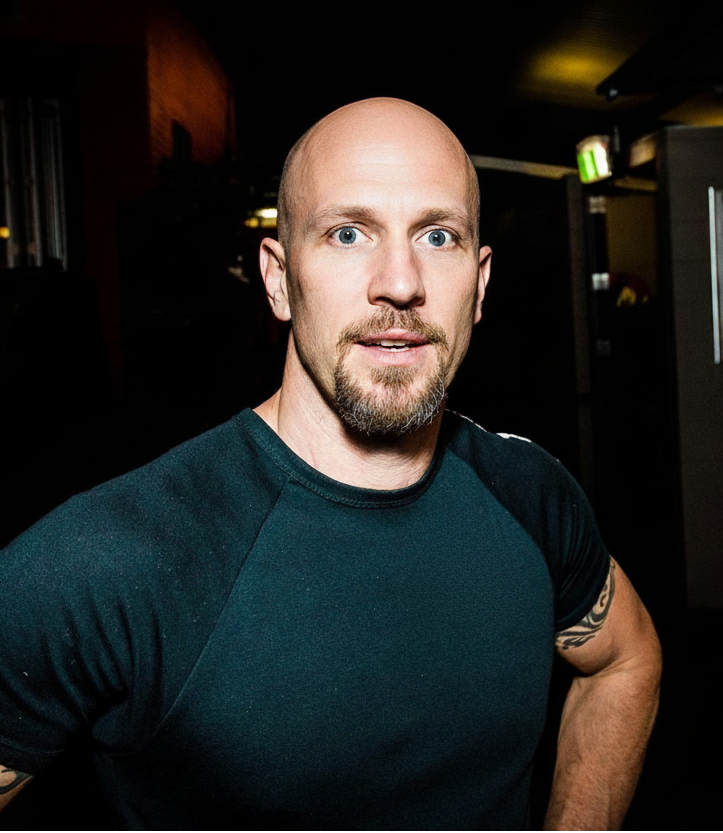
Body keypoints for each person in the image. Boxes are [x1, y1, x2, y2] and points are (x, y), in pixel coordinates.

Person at [0, 98, 661, 831]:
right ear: (279, 278)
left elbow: (623, 661)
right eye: (348, 233)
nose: (400, 283)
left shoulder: (531, 494)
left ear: (478, 284)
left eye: (437, 236)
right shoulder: (104, 562)